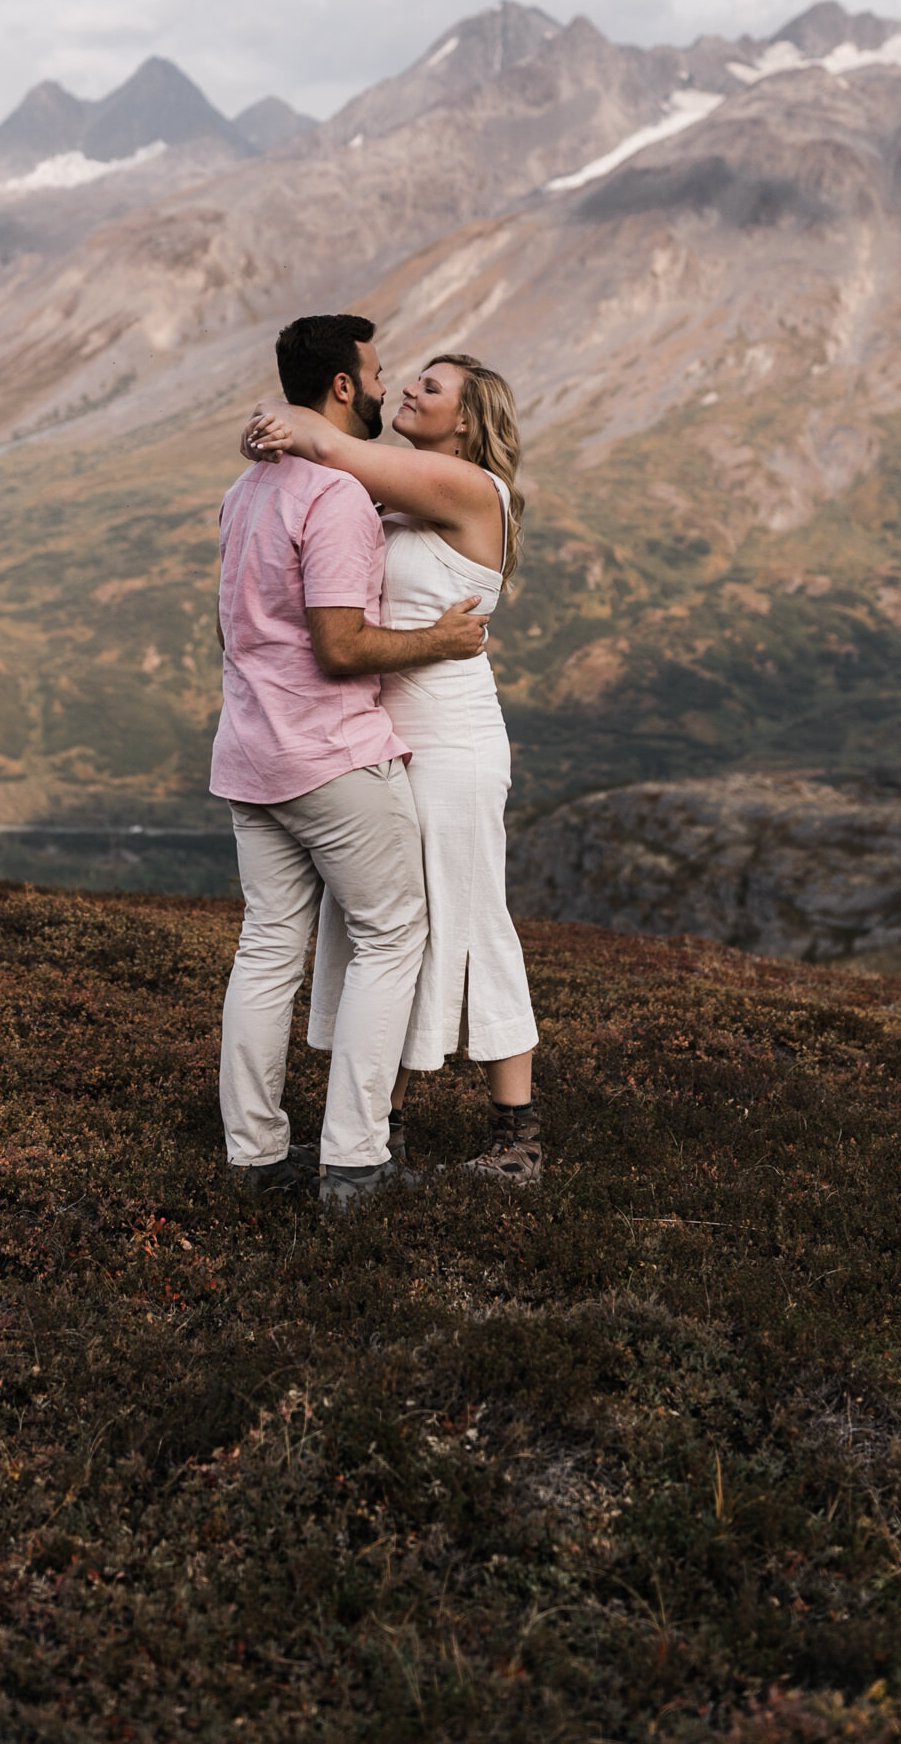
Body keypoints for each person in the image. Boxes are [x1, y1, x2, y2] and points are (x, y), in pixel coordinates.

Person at [243, 348, 542, 1185]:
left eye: (431, 387)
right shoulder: (393, 491)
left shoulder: (471, 488)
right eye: (408, 378)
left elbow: (328, 446)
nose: (409, 389)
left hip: (450, 742)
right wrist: (273, 435)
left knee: (468, 919)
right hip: (381, 737)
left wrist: (286, 423)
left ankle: (516, 1139)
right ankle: (379, 1130)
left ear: (470, 421)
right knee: (386, 932)